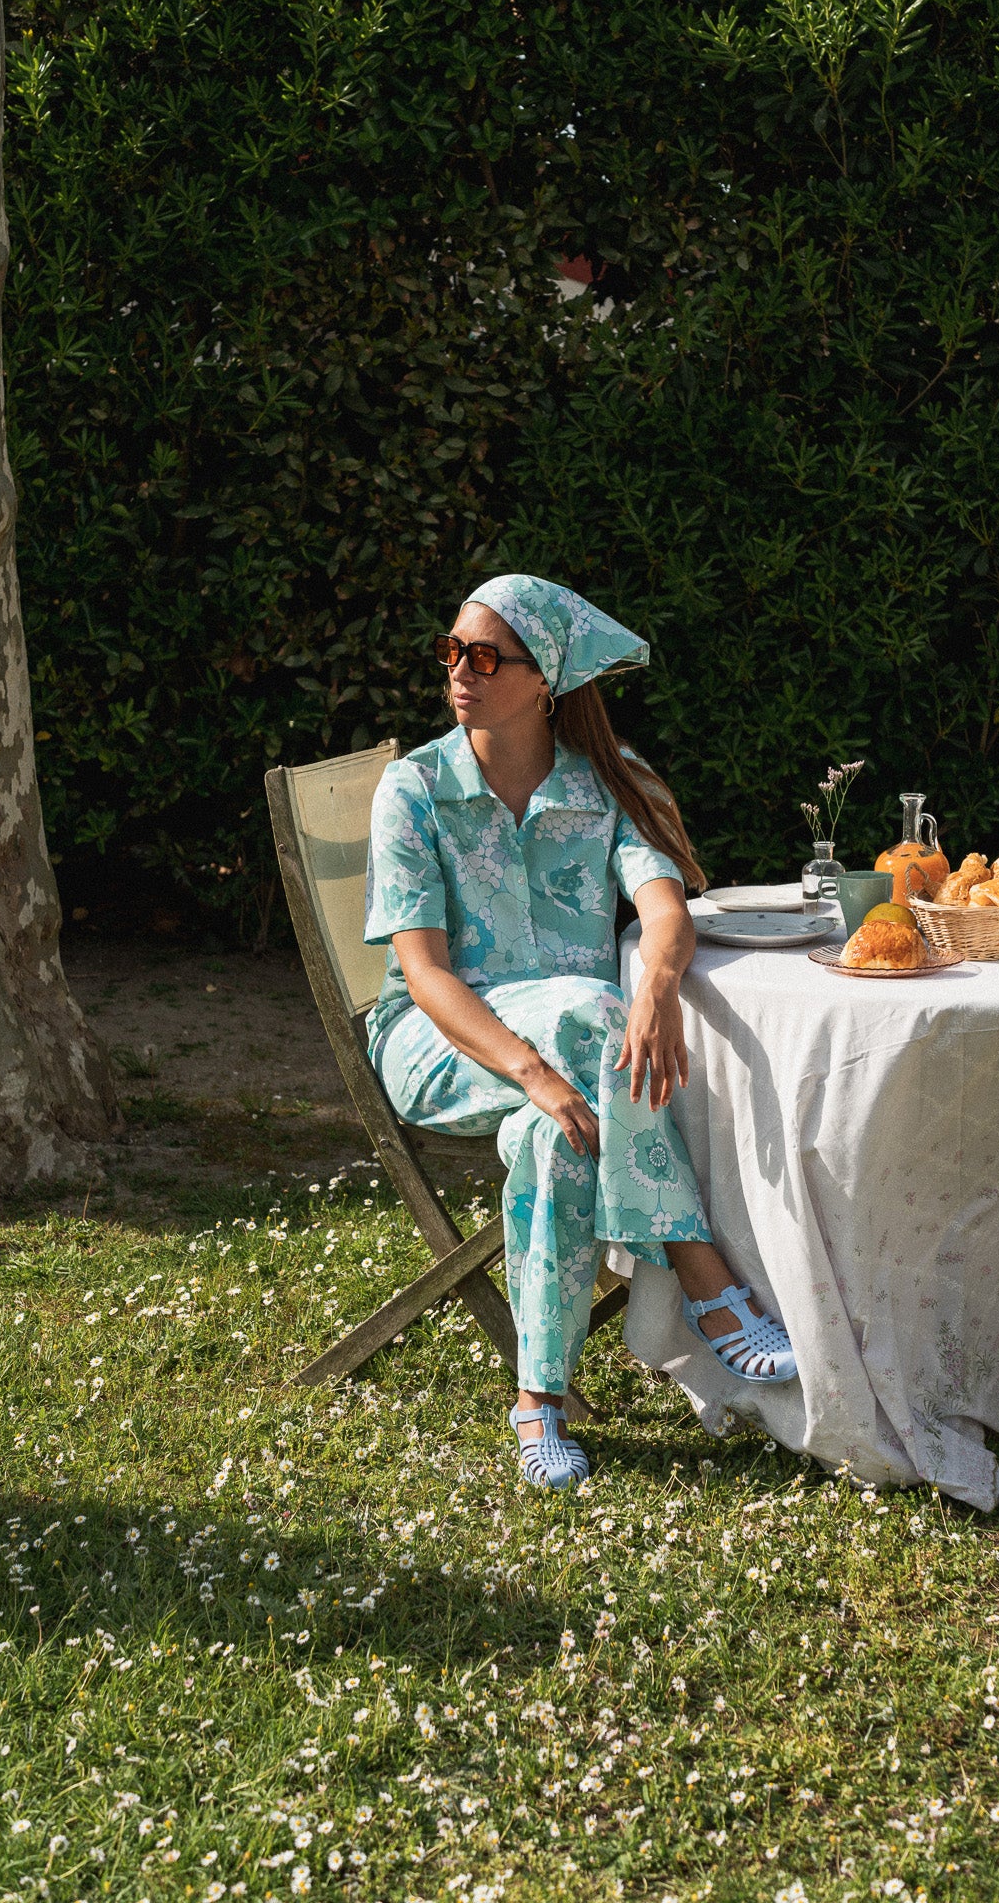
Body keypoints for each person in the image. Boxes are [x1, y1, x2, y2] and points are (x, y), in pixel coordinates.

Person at [364, 574, 796, 1489]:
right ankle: (702, 1272)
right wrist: (533, 1072)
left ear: (544, 678)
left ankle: (538, 1404)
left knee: (551, 1144)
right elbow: (424, 972)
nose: (458, 673)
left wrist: (660, 989)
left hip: (584, 1068)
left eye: (484, 657)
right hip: (446, 1047)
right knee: (590, 1017)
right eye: (450, 652)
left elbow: (665, 907)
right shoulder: (414, 791)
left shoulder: (609, 783)